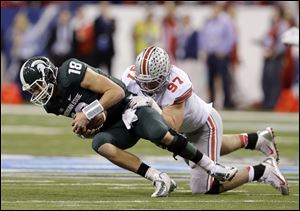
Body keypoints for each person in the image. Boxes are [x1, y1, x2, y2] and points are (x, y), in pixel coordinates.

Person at [19, 56, 238, 198]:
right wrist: (86, 130)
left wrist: (89, 113)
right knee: (99, 144)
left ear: (49, 75)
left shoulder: (70, 72)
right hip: (114, 124)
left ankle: (211, 166)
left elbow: (116, 92)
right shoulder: (52, 105)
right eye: (33, 90)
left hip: (129, 108)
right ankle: (157, 177)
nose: (37, 93)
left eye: (38, 86)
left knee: (160, 133)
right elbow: (91, 124)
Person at [121, 46, 289, 195]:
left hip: (205, 125)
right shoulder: (129, 78)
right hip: (188, 129)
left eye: (152, 83)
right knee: (208, 149)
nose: (145, 88)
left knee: (203, 188)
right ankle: (257, 140)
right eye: (142, 81)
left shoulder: (177, 83)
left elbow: (169, 130)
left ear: (164, 76)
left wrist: (151, 105)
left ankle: (264, 170)